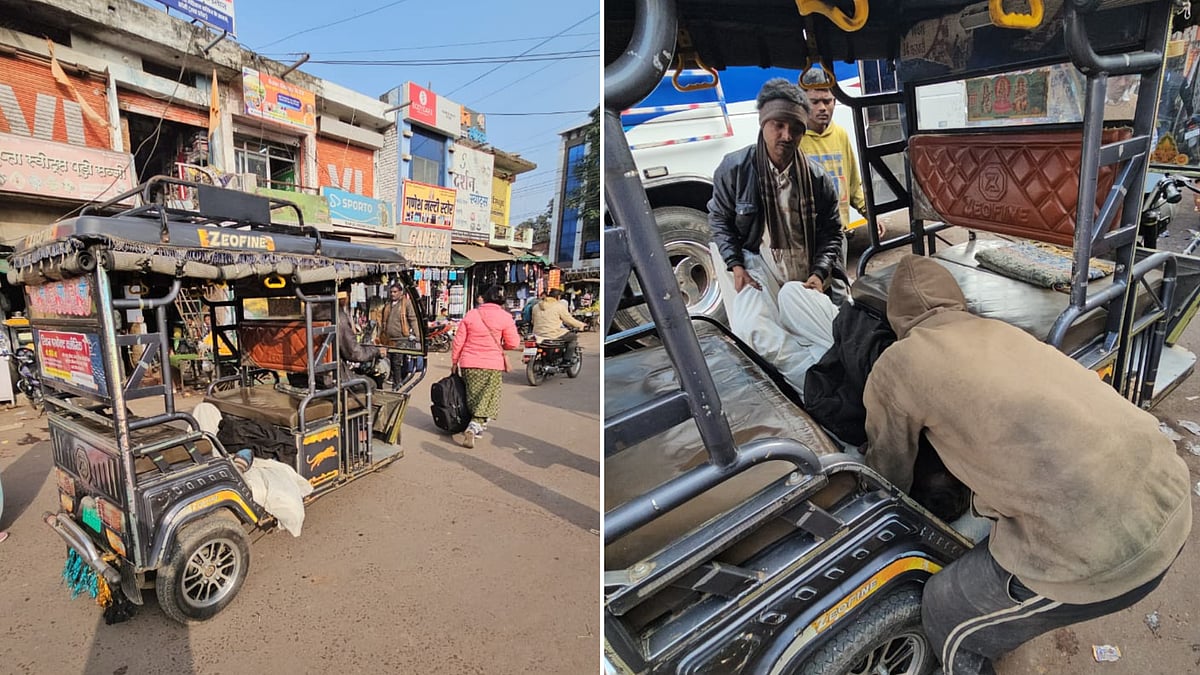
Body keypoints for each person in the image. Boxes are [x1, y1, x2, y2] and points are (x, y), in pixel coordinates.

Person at [862, 255, 1192, 675]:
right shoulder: (1001, 329)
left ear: (897, 316)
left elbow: (888, 470)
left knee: (946, 611)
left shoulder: (899, 361)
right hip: (1170, 489)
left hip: (1111, 551)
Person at [708, 77, 844, 393]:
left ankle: (823, 376)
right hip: (757, 263)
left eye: (795, 128)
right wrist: (735, 264)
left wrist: (819, 272)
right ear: (763, 122)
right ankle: (815, 383)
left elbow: (832, 231)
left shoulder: (815, 176)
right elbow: (719, 220)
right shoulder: (735, 168)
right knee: (751, 329)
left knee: (823, 325)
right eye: (778, 125)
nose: (787, 135)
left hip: (804, 265)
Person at [797, 87, 873, 242]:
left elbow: (853, 186)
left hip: (839, 234)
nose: (822, 108)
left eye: (827, 101)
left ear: (835, 101)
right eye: (815, 102)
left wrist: (871, 215)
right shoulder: (794, 139)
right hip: (807, 238)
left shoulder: (840, 134)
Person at [450, 284, 520, 449]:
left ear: (485, 297)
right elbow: (514, 343)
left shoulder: (472, 314)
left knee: (472, 395)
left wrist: (454, 362)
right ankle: (474, 426)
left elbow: (458, 341)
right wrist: (502, 346)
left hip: (468, 363)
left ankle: (476, 426)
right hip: (491, 365)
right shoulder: (505, 317)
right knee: (488, 397)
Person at [381, 283, 420, 391]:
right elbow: (384, 321)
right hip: (389, 339)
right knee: (389, 362)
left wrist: (417, 335)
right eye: (391, 292)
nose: (392, 294)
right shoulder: (388, 304)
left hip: (401, 338)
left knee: (397, 363)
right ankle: (395, 382)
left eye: (395, 292)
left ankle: (397, 385)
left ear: (401, 292)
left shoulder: (406, 304)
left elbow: (413, 319)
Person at [531, 289, 586, 360]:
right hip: (553, 334)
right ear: (558, 297)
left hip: (537, 334)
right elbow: (569, 320)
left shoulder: (536, 307)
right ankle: (567, 359)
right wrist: (581, 325)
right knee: (573, 337)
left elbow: (533, 321)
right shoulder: (559, 306)